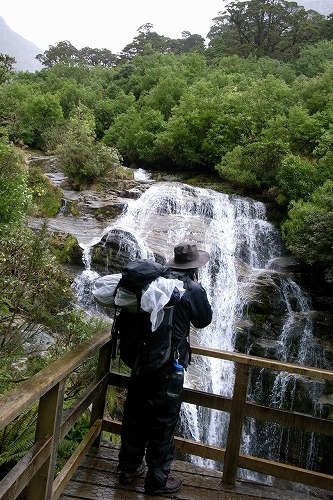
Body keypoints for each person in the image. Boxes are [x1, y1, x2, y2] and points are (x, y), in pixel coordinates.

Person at [117, 241, 213, 495]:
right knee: (163, 420)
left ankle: (127, 469)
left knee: (135, 414)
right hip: (170, 367)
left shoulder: (153, 282)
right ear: (194, 267)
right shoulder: (191, 288)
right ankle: (157, 480)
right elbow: (204, 320)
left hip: (141, 361)